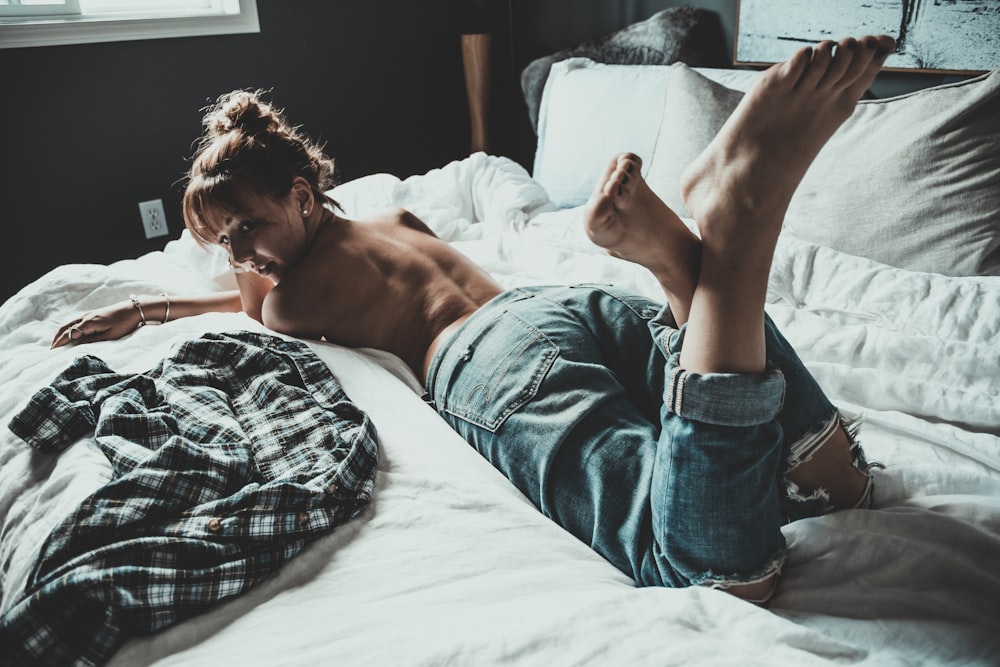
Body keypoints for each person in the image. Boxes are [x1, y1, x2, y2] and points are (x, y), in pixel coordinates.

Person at [53, 35, 896, 604]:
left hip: (486, 360)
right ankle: (688, 273)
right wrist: (167, 289)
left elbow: (250, 313)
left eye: (248, 230)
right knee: (838, 481)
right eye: (224, 244)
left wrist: (153, 304)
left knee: (703, 561)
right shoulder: (399, 223)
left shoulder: (288, 299)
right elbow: (266, 267)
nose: (241, 256)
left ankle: (736, 244)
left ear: (302, 195)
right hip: (559, 307)